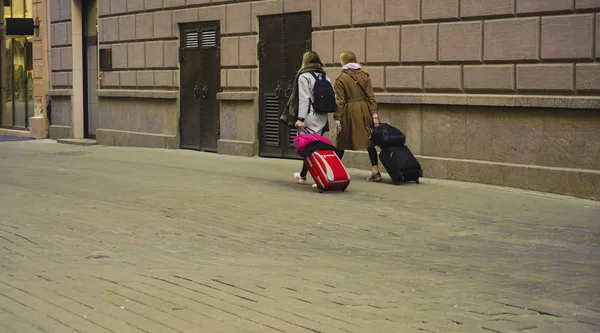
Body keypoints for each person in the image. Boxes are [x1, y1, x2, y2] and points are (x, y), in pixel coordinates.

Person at [280, 51, 331, 184]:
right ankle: (303, 175)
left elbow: (304, 98)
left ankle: (321, 177)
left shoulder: (304, 76)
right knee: (313, 147)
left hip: (309, 116)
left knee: (309, 149)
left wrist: (300, 118)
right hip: (322, 116)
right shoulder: (324, 76)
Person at [334, 51, 381, 182]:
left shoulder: (341, 78)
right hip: (365, 110)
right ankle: (375, 171)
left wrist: (337, 118)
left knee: (341, 142)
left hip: (349, 112)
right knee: (369, 141)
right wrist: (374, 114)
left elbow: (340, 101)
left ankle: (334, 170)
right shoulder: (364, 75)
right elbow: (371, 97)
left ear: (343, 61)